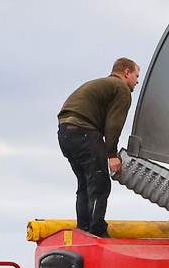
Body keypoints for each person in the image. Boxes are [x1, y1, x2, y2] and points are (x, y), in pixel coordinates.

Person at [57, 58, 140, 236]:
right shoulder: (121, 89)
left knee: (85, 183)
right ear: (127, 73)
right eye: (136, 76)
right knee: (99, 184)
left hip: (65, 134)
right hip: (84, 131)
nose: (137, 81)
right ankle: (97, 231)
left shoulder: (101, 84)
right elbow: (113, 124)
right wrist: (112, 155)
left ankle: (83, 229)